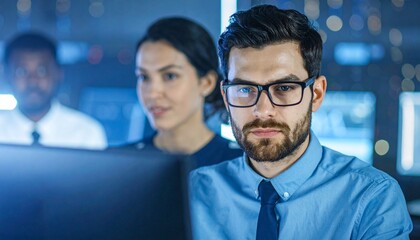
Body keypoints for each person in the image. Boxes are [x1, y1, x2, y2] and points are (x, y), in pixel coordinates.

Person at [189, 5, 412, 239]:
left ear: (316, 94)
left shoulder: (371, 197)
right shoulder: (193, 193)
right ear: (226, 97)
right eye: (244, 88)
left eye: (284, 87)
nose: (263, 110)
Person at [119, 17, 243, 169]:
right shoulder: (118, 164)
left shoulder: (242, 166)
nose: (152, 93)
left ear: (206, 83)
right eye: (144, 77)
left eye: (170, 76)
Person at [0, 32, 107, 150]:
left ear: (58, 73)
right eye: (21, 72)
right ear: (6, 75)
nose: (32, 81)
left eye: (42, 71)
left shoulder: (86, 133)